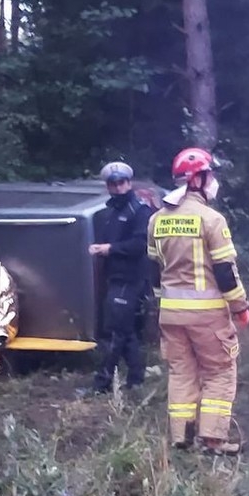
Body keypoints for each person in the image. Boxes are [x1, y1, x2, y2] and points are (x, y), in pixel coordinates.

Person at [148, 147, 249, 455]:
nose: (213, 181)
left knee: (181, 374)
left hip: (170, 315)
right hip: (207, 316)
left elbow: (154, 271)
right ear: (197, 180)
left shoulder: (156, 220)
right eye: (210, 175)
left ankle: (181, 437)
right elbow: (225, 272)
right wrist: (240, 307)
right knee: (220, 372)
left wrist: (161, 304)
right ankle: (213, 440)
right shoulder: (211, 219)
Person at [82, 161, 154, 396]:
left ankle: (101, 384)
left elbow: (141, 244)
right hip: (115, 278)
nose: (118, 187)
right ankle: (136, 380)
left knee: (115, 332)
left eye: (121, 183)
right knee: (126, 331)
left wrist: (109, 249)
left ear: (129, 183)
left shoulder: (140, 210)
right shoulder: (111, 211)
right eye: (113, 184)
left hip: (130, 279)